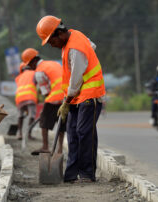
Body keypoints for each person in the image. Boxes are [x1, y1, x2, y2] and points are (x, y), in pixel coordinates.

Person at [36, 15, 106, 183]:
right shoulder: (74, 37)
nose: (51, 45)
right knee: (73, 134)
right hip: (77, 95)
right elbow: (92, 46)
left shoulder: (75, 49)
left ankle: (87, 174)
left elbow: (75, 78)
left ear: (58, 33)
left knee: (84, 132)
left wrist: (65, 102)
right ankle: (71, 174)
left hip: (90, 94)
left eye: (51, 41)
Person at [21, 48, 65, 155]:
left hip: (54, 98)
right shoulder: (52, 63)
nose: (30, 68)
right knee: (61, 124)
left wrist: (41, 92)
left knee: (44, 122)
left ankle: (45, 147)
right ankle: (59, 150)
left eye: (30, 65)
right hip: (66, 97)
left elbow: (46, 92)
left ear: (33, 61)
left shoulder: (39, 72)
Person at [15, 62, 37, 140]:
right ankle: (28, 134)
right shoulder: (34, 73)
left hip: (19, 98)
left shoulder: (18, 77)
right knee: (32, 115)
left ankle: (19, 133)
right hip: (30, 97)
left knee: (20, 115)